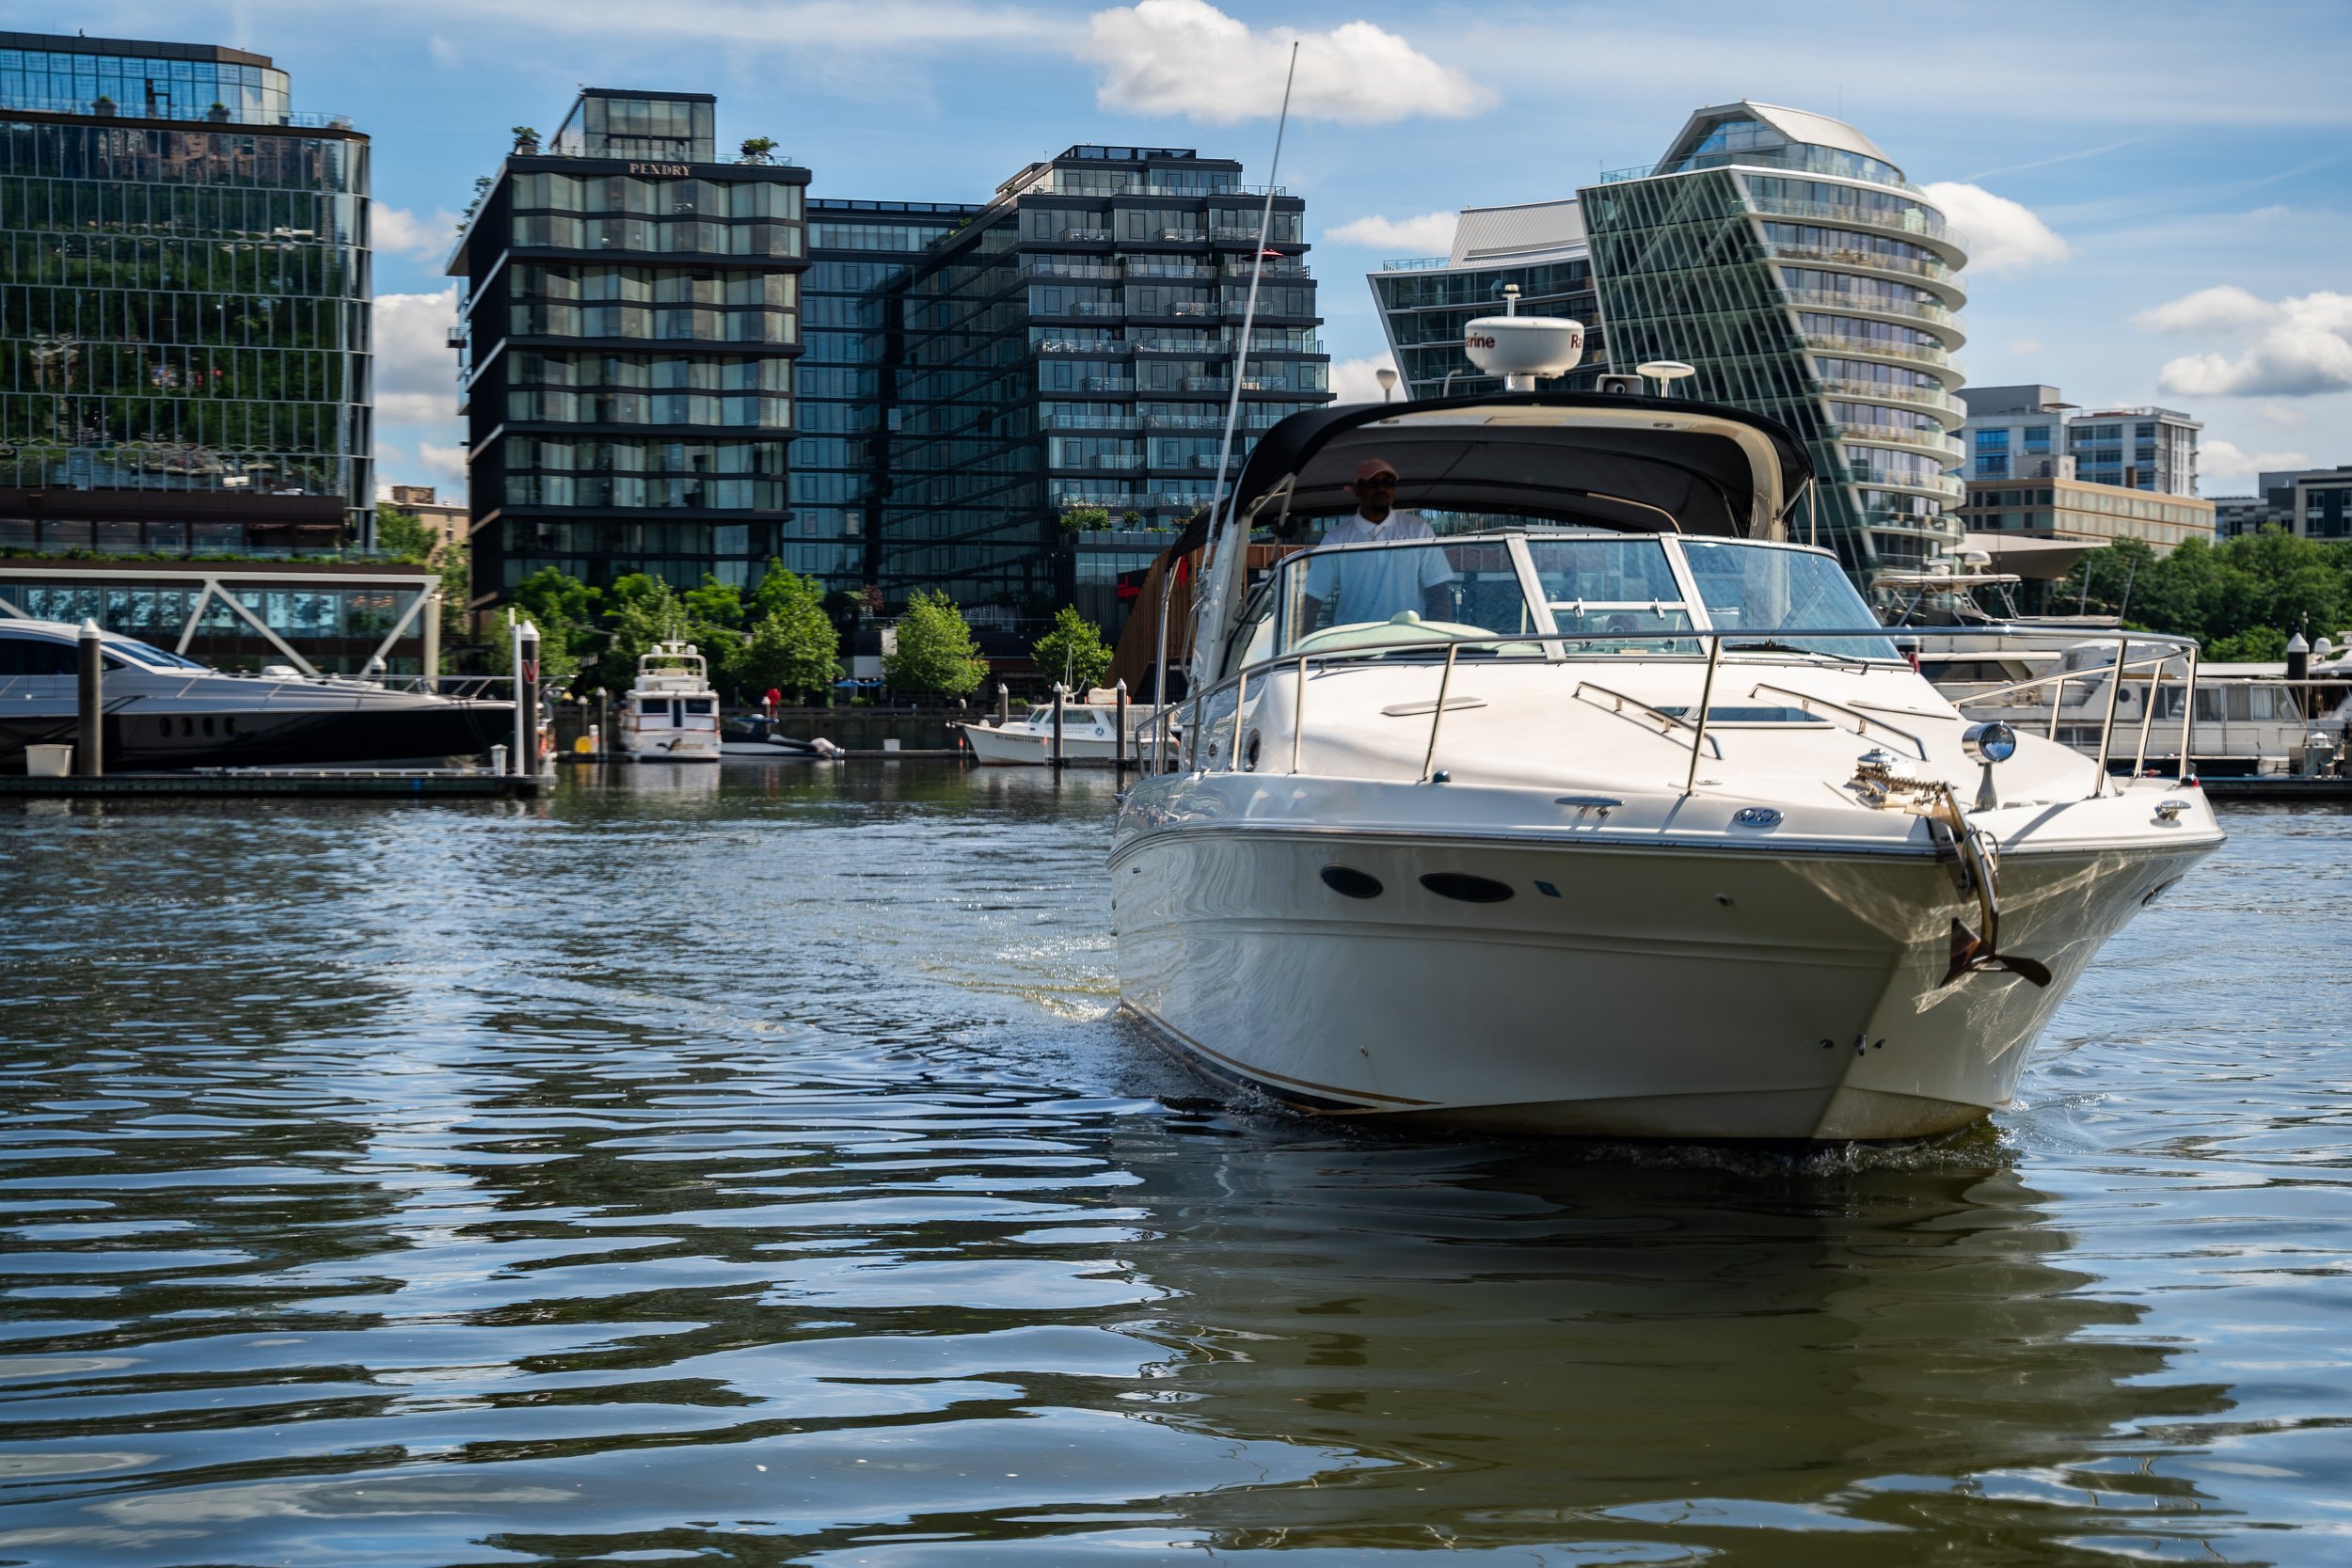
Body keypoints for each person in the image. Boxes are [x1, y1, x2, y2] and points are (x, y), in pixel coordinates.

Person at [1298, 459, 1455, 631]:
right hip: (1353, 641)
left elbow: (1438, 592)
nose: (1382, 488)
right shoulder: (1335, 539)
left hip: (1409, 639)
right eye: (1373, 483)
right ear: (1357, 490)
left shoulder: (1419, 530)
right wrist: (1298, 642)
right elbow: (1312, 598)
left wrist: (1437, 641)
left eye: (1388, 482)